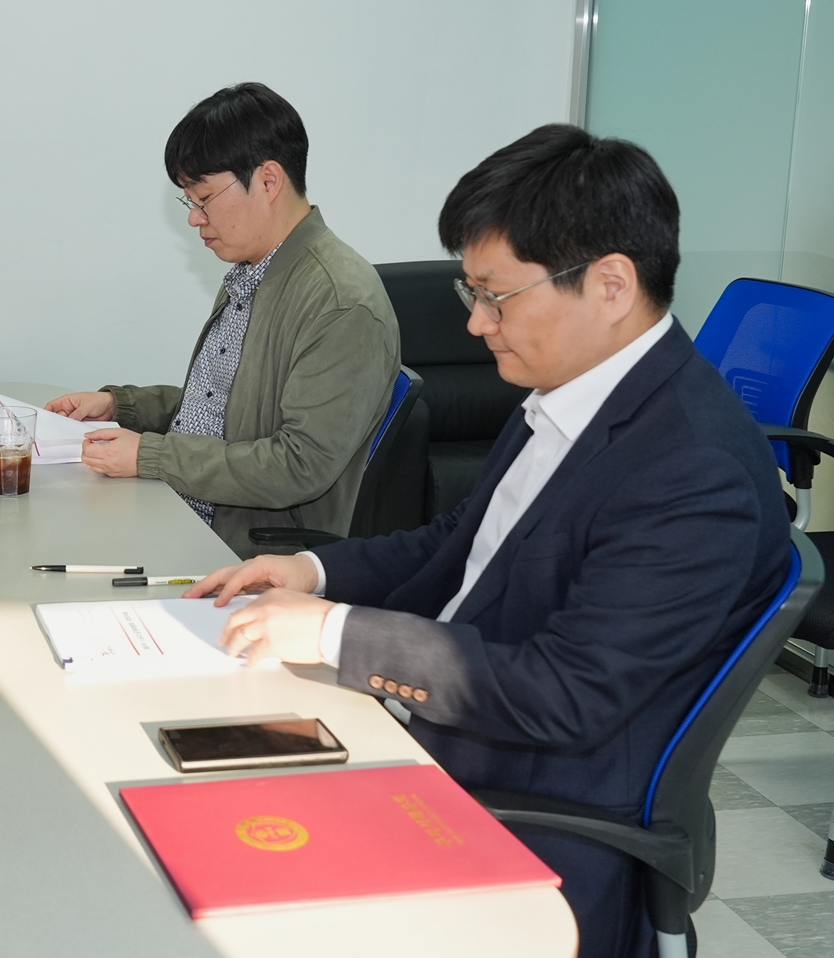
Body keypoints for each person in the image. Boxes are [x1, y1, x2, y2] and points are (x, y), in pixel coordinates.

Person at [189, 125, 792, 957]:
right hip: (443, 730)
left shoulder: (692, 469)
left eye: (495, 296)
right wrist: (311, 569)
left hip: (529, 808)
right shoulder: (570, 393)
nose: (476, 324)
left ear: (611, 285)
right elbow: (461, 547)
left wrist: (336, 634)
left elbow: (569, 691)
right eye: (469, 293)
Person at [46, 83, 399, 557]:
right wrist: (122, 407)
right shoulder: (255, 269)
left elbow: (298, 465)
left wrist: (149, 455)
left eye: (204, 198)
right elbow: (222, 411)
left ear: (268, 181)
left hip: (244, 550)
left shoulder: (340, 303)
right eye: (189, 202)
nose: (195, 219)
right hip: (189, 509)